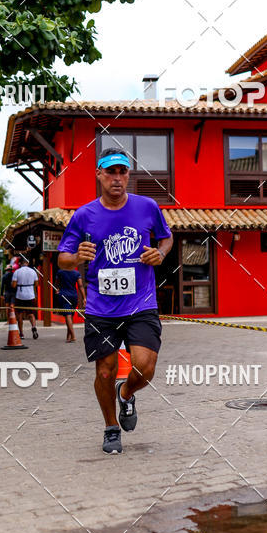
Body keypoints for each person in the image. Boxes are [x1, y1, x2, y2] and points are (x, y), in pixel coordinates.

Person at [58, 148, 173, 454]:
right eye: (111, 172)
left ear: (128, 175)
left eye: (123, 171)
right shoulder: (84, 215)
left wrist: (159, 253)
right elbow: (62, 259)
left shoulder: (147, 206)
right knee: (105, 370)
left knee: (145, 367)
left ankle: (127, 392)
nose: (117, 178)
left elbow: (166, 237)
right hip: (101, 308)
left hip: (141, 303)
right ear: (99, 175)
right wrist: (75, 258)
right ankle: (111, 428)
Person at [54, 267, 86, 343]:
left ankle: (73, 336)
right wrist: (84, 298)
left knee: (68, 316)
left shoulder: (60, 272)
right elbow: (80, 286)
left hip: (64, 295)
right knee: (70, 315)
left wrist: (57, 289)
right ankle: (68, 337)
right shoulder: (76, 273)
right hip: (74, 296)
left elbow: (56, 283)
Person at [12, 256, 39, 339]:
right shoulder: (33, 271)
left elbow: (14, 285)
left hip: (20, 295)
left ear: (20, 263)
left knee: (19, 314)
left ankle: (21, 333)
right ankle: (34, 327)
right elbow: (36, 284)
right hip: (30, 295)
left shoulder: (17, 272)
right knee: (31, 314)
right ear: (27, 263)